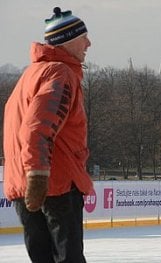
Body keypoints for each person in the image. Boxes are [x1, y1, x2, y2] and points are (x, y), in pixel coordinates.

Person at [3, 7, 93, 263]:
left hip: (24, 185)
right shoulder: (60, 73)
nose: (89, 43)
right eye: (83, 37)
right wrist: (38, 175)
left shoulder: (29, 74)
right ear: (67, 41)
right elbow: (38, 128)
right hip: (54, 184)